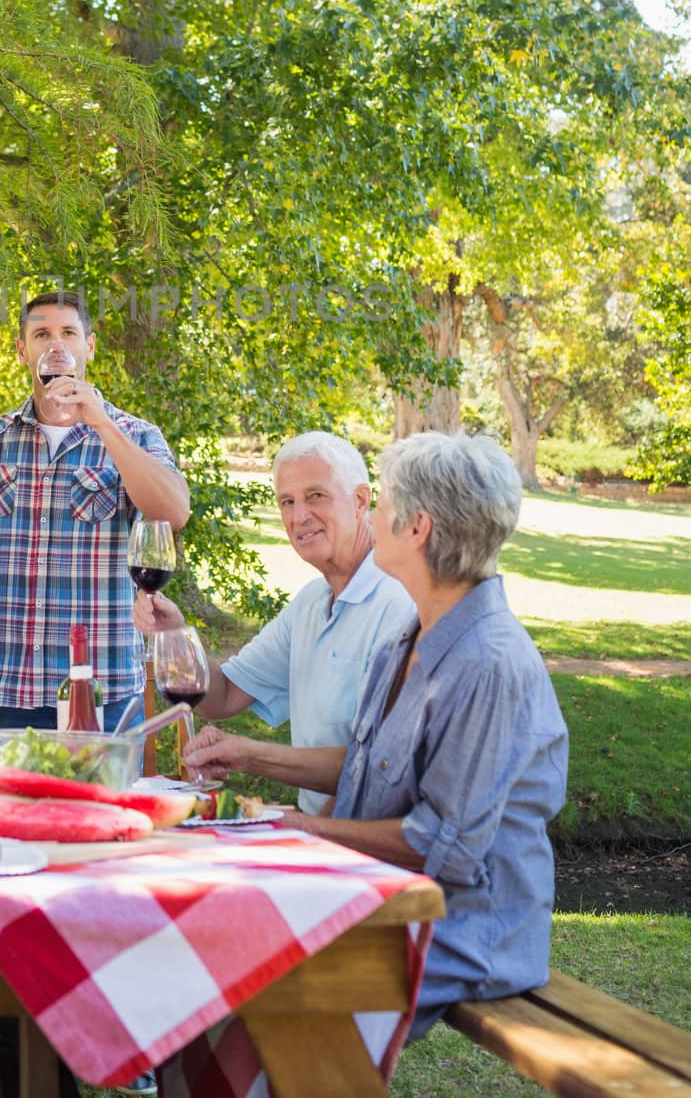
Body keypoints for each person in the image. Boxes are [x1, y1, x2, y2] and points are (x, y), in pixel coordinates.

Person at [186, 432, 569, 1036]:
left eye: (383, 500)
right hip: (384, 897)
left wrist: (296, 828)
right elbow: (365, 775)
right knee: (207, 945)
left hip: (459, 933)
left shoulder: (489, 663)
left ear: (416, 528)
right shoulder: (412, 636)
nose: (374, 514)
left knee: (248, 985)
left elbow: (440, 846)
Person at [134, 431, 413, 812]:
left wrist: (252, 757)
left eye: (316, 496)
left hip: (358, 843)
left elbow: (379, 767)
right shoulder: (311, 603)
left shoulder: (398, 603)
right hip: (319, 833)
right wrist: (176, 635)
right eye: (287, 501)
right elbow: (223, 696)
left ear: (360, 500)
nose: (299, 516)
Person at [0, 290, 189, 731]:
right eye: (42, 334)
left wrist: (102, 424)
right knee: (11, 804)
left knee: (104, 804)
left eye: (68, 333)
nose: (56, 345)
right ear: (21, 350)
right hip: (10, 688)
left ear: (88, 346)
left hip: (102, 688)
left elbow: (174, 510)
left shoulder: (136, 435)